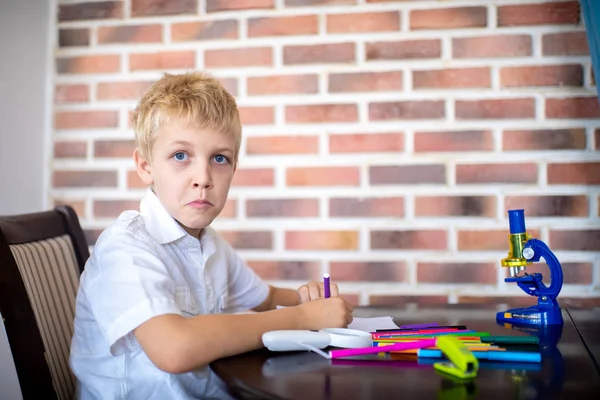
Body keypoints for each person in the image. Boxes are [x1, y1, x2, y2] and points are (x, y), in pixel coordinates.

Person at [69, 71, 354, 399]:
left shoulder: (210, 244)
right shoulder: (126, 248)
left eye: (219, 158)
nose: (202, 177)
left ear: (234, 169)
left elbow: (269, 299)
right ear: (145, 165)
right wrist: (303, 317)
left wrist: (316, 301)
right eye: (181, 156)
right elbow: (174, 349)